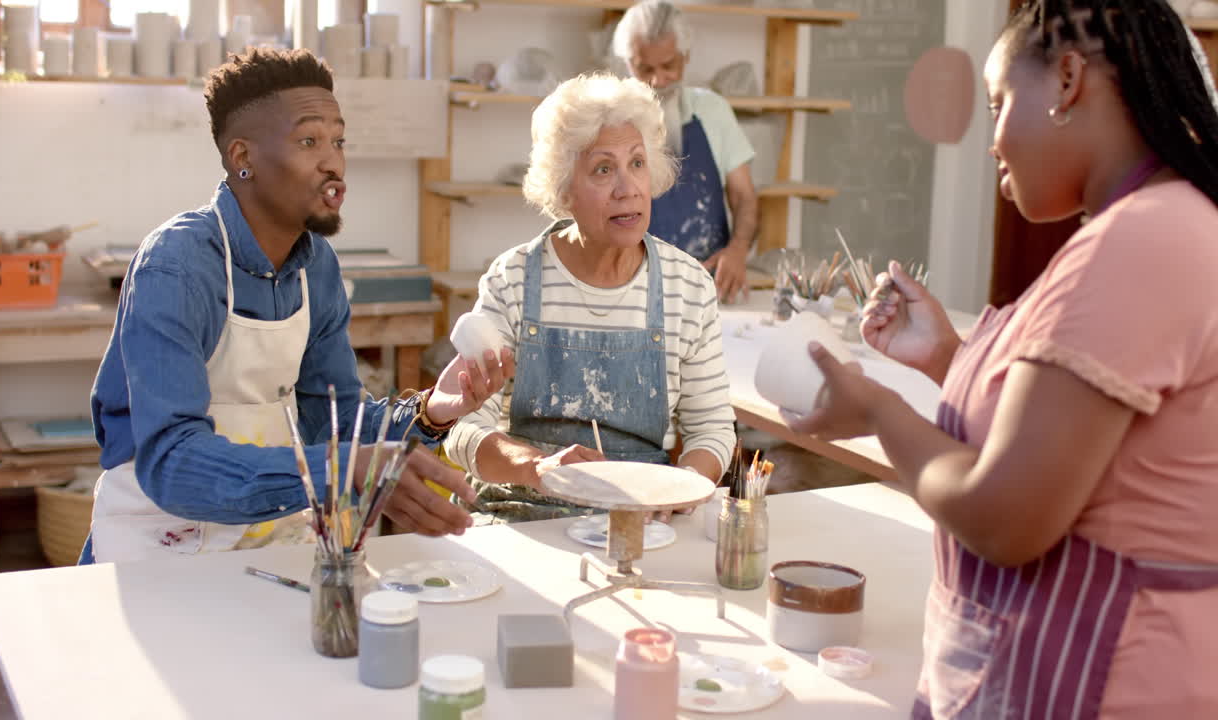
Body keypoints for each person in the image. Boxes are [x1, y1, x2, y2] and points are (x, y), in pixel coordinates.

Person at [783, 2, 1218, 717]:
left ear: (1069, 80)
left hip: (1094, 683)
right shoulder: (1151, 226)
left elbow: (1004, 517)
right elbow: (1072, 434)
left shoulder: (1139, 243)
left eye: (999, 104)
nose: (991, 142)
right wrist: (950, 360)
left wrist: (878, 411)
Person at [83, 48, 513, 564]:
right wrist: (337, 469)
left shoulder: (317, 268)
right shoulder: (175, 266)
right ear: (243, 159)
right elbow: (172, 463)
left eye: (338, 140)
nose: (332, 161)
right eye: (309, 140)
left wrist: (434, 409)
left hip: (269, 540)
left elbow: (333, 427)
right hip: (159, 545)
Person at [444, 73, 737, 522]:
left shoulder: (688, 286)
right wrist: (535, 467)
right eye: (604, 169)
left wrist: (679, 490)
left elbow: (712, 430)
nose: (628, 188)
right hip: (519, 509)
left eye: (637, 163)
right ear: (564, 190)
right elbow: (461, 425)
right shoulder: (514, 279)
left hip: (636, 516)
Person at [611, 0, 758, 304]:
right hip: (627, 290)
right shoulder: (608, 119)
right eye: (644, 68)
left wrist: (738, 250)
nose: (657, 80)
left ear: (686, 56)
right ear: (627, 61)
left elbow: (744, 197)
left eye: (669, 66)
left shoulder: (713, 111)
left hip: (708, 287)